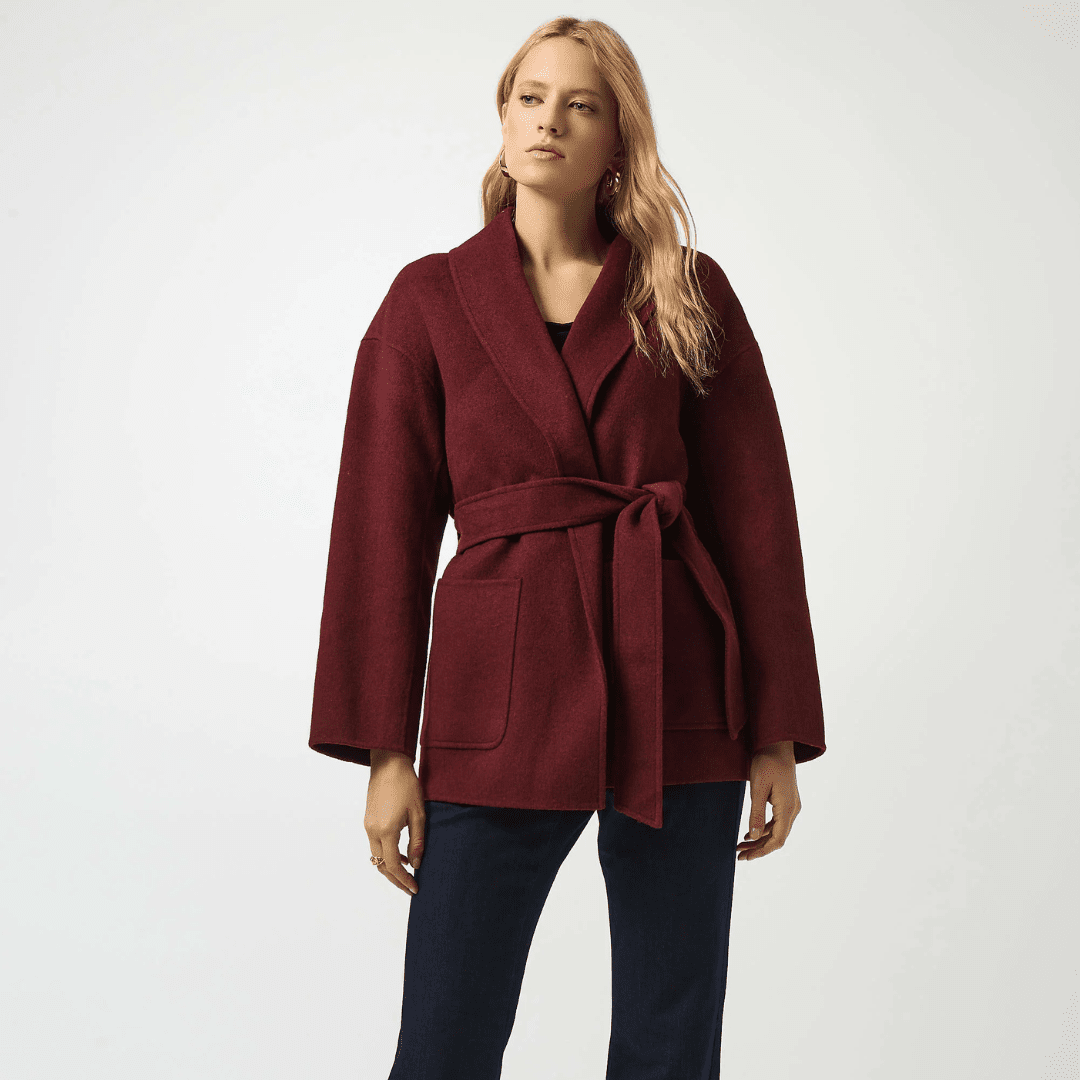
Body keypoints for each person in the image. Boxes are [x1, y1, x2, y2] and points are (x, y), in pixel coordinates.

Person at [308, 16, 826, 1079]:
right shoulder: (428, 301)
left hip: (678, 678)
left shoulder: (687, 291)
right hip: (498, 691)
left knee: (672, 1036)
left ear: (617, 139)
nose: (549, 120)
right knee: (446, 1034)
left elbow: (757, 521)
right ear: (502, 117)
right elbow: (379, 532)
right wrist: (387, 753)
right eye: (531, 97)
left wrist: (774, 730)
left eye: (581, 105)